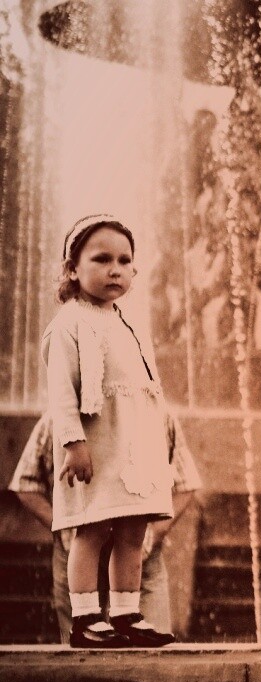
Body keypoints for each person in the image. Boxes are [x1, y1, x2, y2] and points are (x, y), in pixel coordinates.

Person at [41, 214, 177, 649]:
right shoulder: (69, 322)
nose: (115, 269)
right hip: (98, 445)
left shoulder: (126, 320)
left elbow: (144, 388)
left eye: (124, 260)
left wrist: (155, 448)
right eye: (101, 259)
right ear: (72, 268)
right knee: (93, 528)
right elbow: (61, 392)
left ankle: (125, 611)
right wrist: (73, 442)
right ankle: (84, 617)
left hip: (131, 446)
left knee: (134, 530)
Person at [9, 410, 203, 644]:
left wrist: (154, 532)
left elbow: (186, 482)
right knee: (83, 648)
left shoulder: (158, 413)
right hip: (76, 551)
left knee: (151, 647)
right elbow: (25, 483)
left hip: (139, 555)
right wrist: (64, 527)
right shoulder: (60, 417)